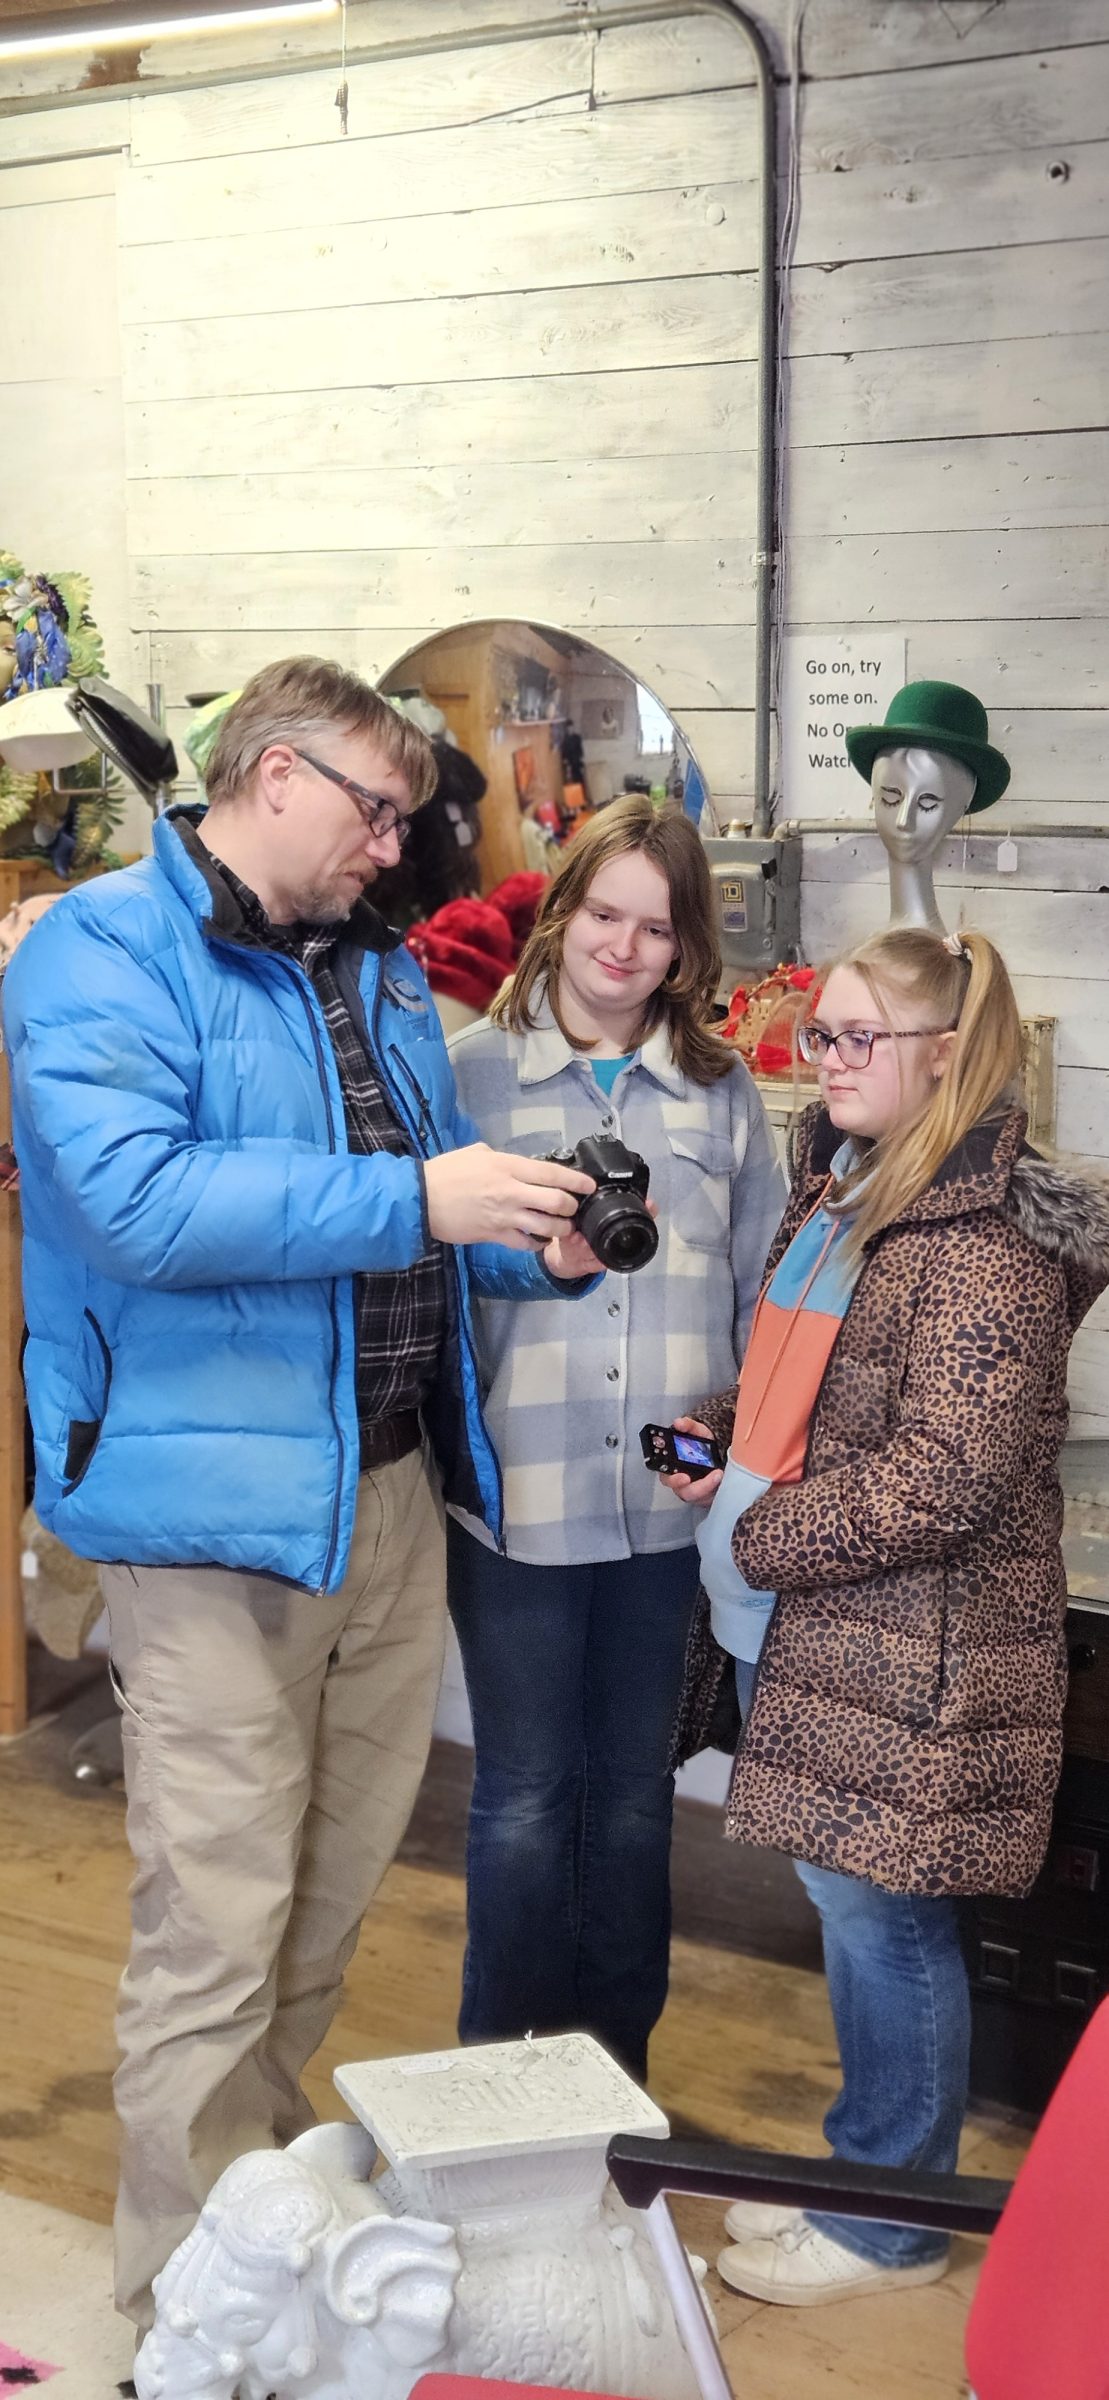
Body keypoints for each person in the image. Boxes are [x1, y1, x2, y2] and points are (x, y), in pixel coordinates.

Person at [1, 655, 606, 2332]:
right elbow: (136, 1204)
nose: (395, 846)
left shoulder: (379, 969)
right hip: (208, 1531)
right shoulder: (97, 953)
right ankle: (184, 2304)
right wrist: (418, 1195)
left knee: (328, 1897)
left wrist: (524, 1246)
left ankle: (250, 2222)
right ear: (268, 778)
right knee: (218, 1919)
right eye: (376, 809)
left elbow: (416, 1213)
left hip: (387, 1500)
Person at [667, 925, 1109, 2305]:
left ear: (947, 1058)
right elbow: (809, 1391)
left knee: (885, 1925)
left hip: (905, 1641)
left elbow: (948, 1476)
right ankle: (863, 2176)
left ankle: (888, 2225)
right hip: (806, 1628)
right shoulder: (851, 1190)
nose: (825, 1062)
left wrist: (759, 1524)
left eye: (858, 1039)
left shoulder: (989, 1245)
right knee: (843, 1900)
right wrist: (720, 1434)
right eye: (822, 1032)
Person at [447, 796, 784, 2082]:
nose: (624, 948)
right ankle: (496, 2078)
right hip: (517, 1502)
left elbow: (754, 1293)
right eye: (604, 914)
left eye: (655, 926)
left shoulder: (718, 1090)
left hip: (667, 1512)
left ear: (685, 945)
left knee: (637, 1799)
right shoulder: (471, 1074)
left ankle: (609, 2072)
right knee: (526, 1800)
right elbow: (437, 1285)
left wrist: (728, 1481)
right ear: (561, 910)